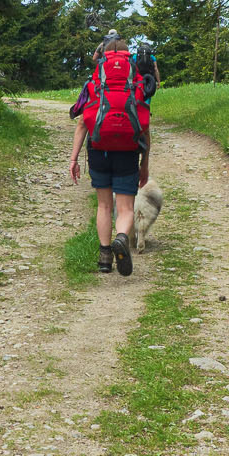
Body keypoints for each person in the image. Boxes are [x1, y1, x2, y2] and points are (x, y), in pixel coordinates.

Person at [67, 31, 155, 275]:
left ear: (102, 58)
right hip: (127, 151)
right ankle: (122, 238)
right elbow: (145, 128)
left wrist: (74, 159)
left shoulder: (93, 83)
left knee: (104, 206)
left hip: (99, 150)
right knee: (125, 208)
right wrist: (145, 164)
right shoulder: (137, 83)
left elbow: (82, 123)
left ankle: (105, 257)